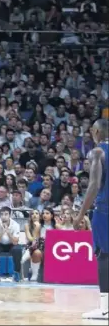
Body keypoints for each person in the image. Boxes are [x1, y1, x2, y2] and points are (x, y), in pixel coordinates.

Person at [74, 118, 108, 320]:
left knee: (104, 256)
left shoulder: (98, 152)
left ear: (96, 132)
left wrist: (80, 215)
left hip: (105, 210)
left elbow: (94, 185)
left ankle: (105, 308)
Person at [0, 206, 23, 282]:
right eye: (2, 214)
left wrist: (8, 233)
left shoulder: (16, 225)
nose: (3, 216)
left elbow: (15, 242)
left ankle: (16, 273)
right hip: (0, 244)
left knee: (18, 250)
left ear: (10, 215)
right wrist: (2, 232)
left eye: (6, 214)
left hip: (11, 244)